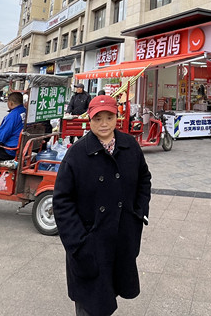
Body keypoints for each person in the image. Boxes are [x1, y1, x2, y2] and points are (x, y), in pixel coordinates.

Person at [53, 95, 152, 316]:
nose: (104, 124)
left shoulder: (129, 146)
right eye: (98, 119)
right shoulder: (77, 154)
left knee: (111, 291)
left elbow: (144, 179)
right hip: (90, 242)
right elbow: (62, 201)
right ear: (89, 120)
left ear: (117, 118)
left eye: (109, 117)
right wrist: (78, 243)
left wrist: (140, 213)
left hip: (121, 237)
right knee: (90, 303)